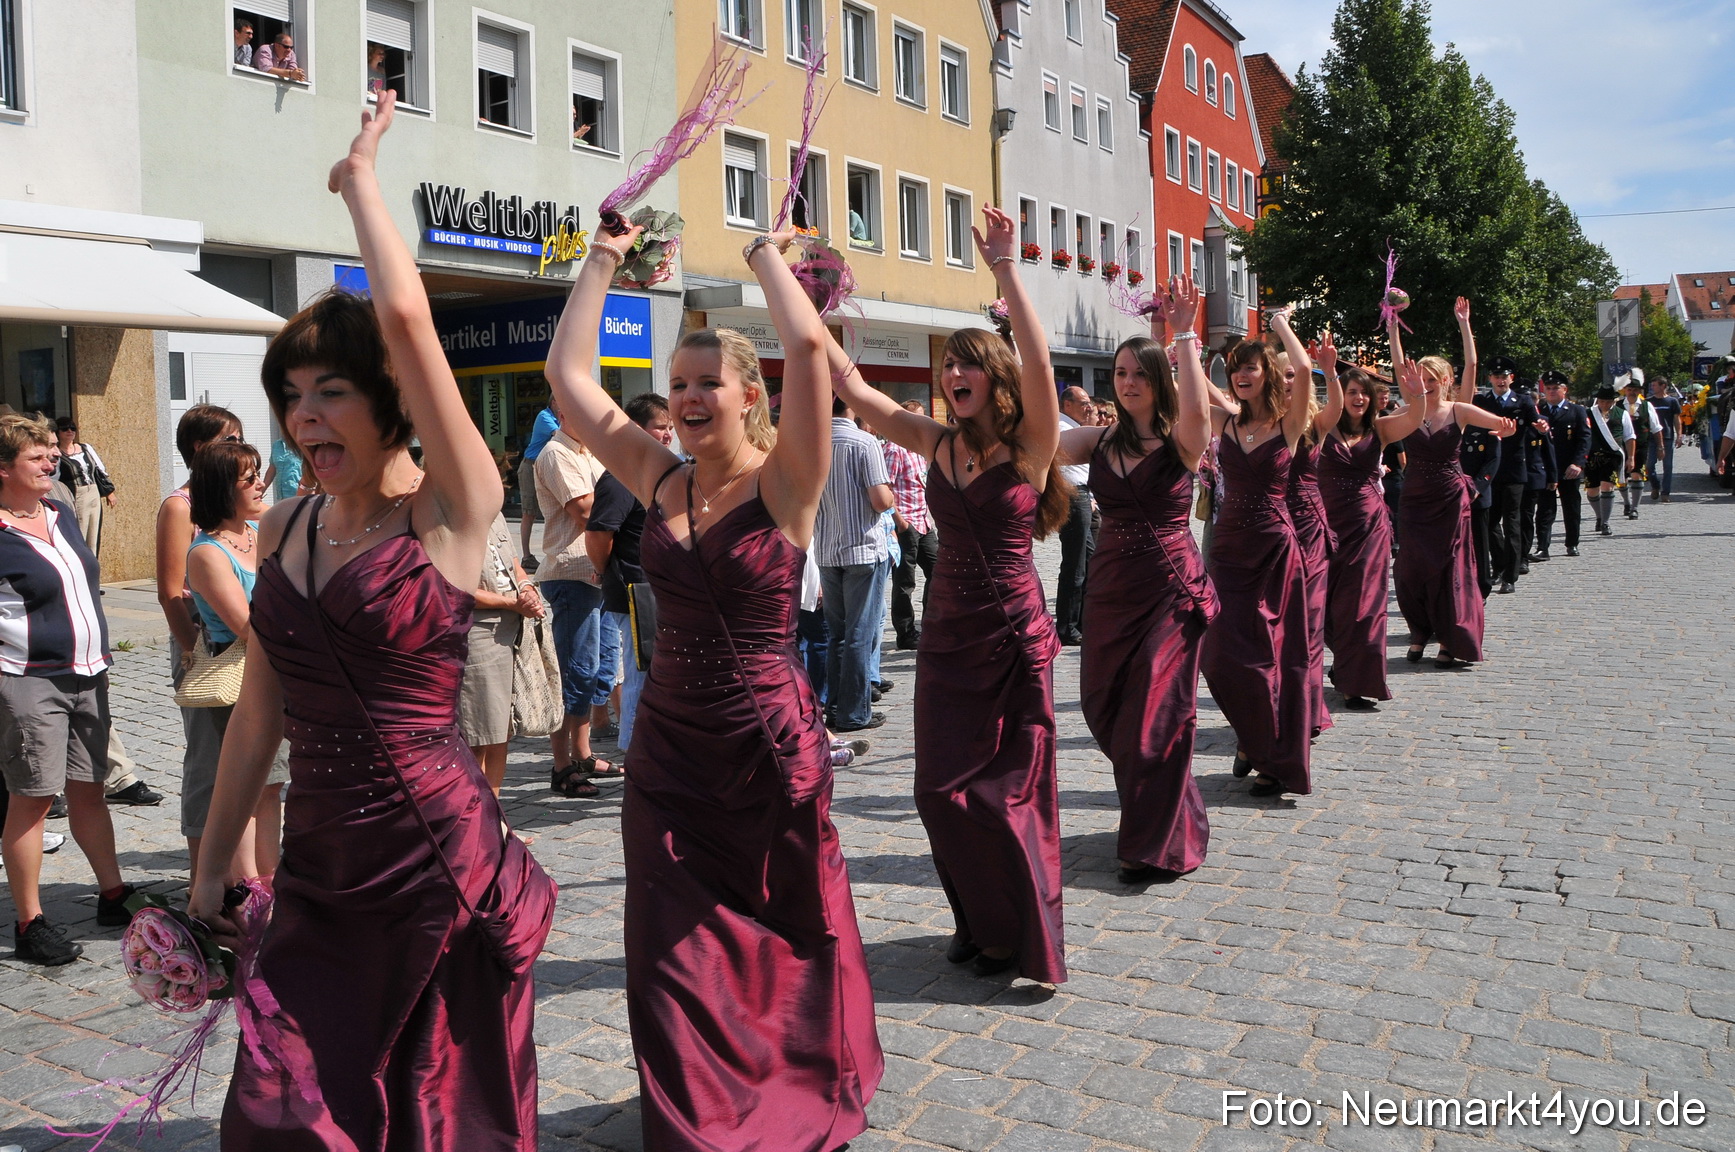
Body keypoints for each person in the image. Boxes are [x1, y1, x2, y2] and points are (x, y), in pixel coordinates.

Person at [188, 93, 555, 1149]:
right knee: (284, 1100)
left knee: (434, 1102)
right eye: (291, 394)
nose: (305, 414)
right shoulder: (287, 524)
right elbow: (259, 712)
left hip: (430, 858)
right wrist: (213, 869)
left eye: (333, 391)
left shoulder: (450, 509)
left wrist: (361, 186)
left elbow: (404, 321)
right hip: (319, 860)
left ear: (391, 400)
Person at [543, 215, 882, 1149]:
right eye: (680, 384)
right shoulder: (662, 479)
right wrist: (602, 259)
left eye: (707, 384)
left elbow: (806, 348)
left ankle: (784, 1082)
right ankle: (695, 1107)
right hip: (667, 745)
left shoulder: (788, 482)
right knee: (669, 938)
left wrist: (764, 256)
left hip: (760, 742)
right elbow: (569, 381)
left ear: (747, 396)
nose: (689, 398)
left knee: (779, 922)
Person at [828, 206, 1069, 983]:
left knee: (1000, 794)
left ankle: (1007, 929)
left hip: (1011, 637)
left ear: (995, 378)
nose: (953, 376)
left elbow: (1038, 363)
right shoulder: (936, 441)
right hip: (947, 635)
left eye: (968, 366)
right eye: (948, 368)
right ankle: (977, 915)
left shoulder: (1030, 447)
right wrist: (807, 304)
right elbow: (856, 392)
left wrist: (1005, 267)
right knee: (937, 790)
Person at [1058, 278, 1215, 883]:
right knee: (1106, 708)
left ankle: (1152, 844)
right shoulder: (1098, 440)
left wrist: (1184, 336)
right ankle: (1170, 812)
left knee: (1157, 713)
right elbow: (1036, 442)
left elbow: (1198, 412)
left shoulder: (1181, 441)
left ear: (1159, 380)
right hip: (1111, 590)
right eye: (1120, 373)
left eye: (1139, 374)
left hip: (1169, 590)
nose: (1127, 383)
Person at [0, 415, 136, 965]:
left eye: (51, 453)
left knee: (90, 789)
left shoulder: (59, 512)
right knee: (33, 799)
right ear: (3, 468)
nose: (51, 461)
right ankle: (29, 922)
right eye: (37, 457)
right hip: (29, 679)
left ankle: (113, 894)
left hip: (89, 673)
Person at [1200, 307, 1317, 800]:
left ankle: (1270, 755)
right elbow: (1188, 386)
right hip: (1228, 549)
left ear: (1267, 373)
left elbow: (1304, 369)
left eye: (1250, 367)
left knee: (1270, 657)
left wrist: (1279, 324)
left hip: (1273, 549)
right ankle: (1250, 735)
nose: (1240, 375)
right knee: (1217, 656)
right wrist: (1178, 335)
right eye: (1235, 368)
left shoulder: (1289, 424)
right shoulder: (1225, 423)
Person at [183, 440, 290, 880]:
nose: (260, 484)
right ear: (222, 489)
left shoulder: (257, 532)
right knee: (244, 788)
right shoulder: (208, 552)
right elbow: (247, 626)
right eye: (249, 479)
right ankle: (247, 889)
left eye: (258, 474)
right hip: (238, 681)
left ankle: (270, 879)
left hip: (271, 676)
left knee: (272, 784)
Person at [1392, 299, 1515, 668]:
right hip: (1415, 499)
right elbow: (1398, 364)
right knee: (1410, 569)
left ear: (1446, 381)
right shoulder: (1407, 409)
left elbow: (1475, 373)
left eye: (1433, 379)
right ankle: (1418, 632)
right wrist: (1392, 325)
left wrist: (1464, 324)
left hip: (1448, 499)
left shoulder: (1458, 410)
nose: (1426, 385)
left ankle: (1449, 640)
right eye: (1422, 378)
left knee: (1449, 570)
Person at [1319, 363, 1425, 710]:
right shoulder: (1320, 427)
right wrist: (1326, 371)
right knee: (1328, 607)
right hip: (1328, 528)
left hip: (1369, 529)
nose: (1359, 398)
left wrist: (1417, 394)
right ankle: (1344, 662)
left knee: (1363, 607)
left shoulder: (1379, 429)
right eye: (1352, 392)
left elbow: (1414, 419)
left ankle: (1357, 682)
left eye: (1364, 392)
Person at [159, 405, 247, 819]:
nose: (239, 446)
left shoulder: (237, 502)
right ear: (199, 446)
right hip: (202, 635)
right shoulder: (180, 505)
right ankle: (202, 848)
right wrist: (192, 651)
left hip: (237, 631)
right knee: (208, 753)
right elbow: (170, 592)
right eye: (230, 439)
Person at [536, 406, 620, 795]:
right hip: (571, 574)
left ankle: (582, 753)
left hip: (596, 571)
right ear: (561, 413)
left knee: (597, 669)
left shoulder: (590, 451)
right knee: (574, 671)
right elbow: (586, 512)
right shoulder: (556, 453)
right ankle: (561, 765)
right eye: (579, 412)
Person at [584, 393, 671, 755]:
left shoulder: (660, 470)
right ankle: (637, 754)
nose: (668, 434)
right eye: (660, 427)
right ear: (636, 428)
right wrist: (605, 570)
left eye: (670, 427)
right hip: (636, 592)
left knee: (656, 675)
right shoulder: (621, 476)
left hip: (659, 588)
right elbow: (598, 534)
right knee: (640, 675)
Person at [816, 399, 895, 733]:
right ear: (851, 406)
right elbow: (880, 500)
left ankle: (835, 708)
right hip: (862, 549)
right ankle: (854, 713)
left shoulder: (814, 442)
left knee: (838, 635)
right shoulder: (864, 442)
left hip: (827, 551)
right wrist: (891, 497)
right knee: (860, 634)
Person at [1284, 345, 1344, 740]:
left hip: (1307, 528)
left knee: (1307, 623)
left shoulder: (1314, 423)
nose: (1287, 381)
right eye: (1281, 375)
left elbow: (1336, 407)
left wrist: (1329, 371)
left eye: (1293, 374)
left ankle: (1307, 708)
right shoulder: (1257, 421)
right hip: (1266, 530)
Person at [461, 513, 542, 793]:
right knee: (478, 734)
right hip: (479, 631)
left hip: (511, 627)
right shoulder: (447, 514)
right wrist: (512, 603)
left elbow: (514, 563)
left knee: (500, 732)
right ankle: (477, 813)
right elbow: (456, 588)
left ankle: (493, 812)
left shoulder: (494, 513)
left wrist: (527, 587)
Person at [1473, 356, 1537, 595]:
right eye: (1496, 376)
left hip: (1512, 469)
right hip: (1489, 469)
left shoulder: (1523, 401)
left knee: (1512, 522)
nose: (1501, 380)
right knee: (1489, 523)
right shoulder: (1482, 401)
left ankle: (1510, 575)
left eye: (1505, 376)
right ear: (1490, 378)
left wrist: (1541, 426)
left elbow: (1536, 423)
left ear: (1512, 378)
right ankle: (1499, 563)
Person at [884, 401, 935, 650]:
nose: (922, 423)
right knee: (905, 581)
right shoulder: (895, 448)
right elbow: (885, 488)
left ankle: (932, 625)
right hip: (906, 523)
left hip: (924, 522)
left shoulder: (919, 448)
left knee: (938, 571)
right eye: (917, 418)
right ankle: (905, 633)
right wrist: (900, 523)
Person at [1053, 386, 1098, 645]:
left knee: (1090, 560)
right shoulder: (1062, 427)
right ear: (1067, 405)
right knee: (1075, 564)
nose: (1088, 407)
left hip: (1083, 495)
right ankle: (1067, 626)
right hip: (1072, 496)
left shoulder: (1075, 426)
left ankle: (1081, 621)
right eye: (1083, 403)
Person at [1534, 371, 1589, 558]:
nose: (1551, 391)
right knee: (1545, 508)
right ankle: (1543, 547)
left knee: (1571, 506)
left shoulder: (1576, 411)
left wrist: (1577, 463)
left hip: (1568, 467)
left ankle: (1572, 543)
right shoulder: (1538, 410)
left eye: (1555, 388)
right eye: (1548, 388)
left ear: (1564, 390)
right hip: (1546, 467)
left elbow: (1584, 439)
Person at [53, 418, 115, 556]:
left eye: (72, 428)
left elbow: (99, 469)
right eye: (65, 429)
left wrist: (109, 492)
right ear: (58, 432)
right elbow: (54, 477)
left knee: (94, 532)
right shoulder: (57, 454)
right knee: (80, 531)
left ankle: (93, 562)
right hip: (77, 495)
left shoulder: (85, 448)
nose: (70, 431)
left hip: (93, 493)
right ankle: (81, 562)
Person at [1515, 396, 1557, 573]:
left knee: (1526, 517)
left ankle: (1522, 557)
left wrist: (1553, 477)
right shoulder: (1507, 419)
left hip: (1532, 475)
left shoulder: (1541, 422)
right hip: (1511, 475)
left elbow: (1548, 450)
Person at [1586, 384, 1635, 534]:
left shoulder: (1622, 414)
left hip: (1612, 456)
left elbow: (1629, 436)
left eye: (1608, 401)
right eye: (1602, 401)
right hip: (1592, 456)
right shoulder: (1589, 413)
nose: (1604, 404)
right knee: (1592, 490)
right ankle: (1599, 516)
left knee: (1607, 486)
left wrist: (1631, 457)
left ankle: (1605, 522)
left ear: (1614, 401)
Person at [1458, 424, 1500, 599]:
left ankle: (1482, 587)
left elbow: (1492, 461)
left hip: (1477, 496)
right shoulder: (1449, 427)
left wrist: (1477, 487)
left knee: (1479, 543)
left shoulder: (1486, 428)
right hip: (1453, 494)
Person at [518, 397, 559, 571]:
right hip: (531, 466)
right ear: (554, 402)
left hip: (547, 467)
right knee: (529, 513)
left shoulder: (560, 418)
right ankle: (526, 557)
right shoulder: (545, 416)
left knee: (555, 510)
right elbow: (560, 435)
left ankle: (555, 554)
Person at [1616, 374, 1662, 519]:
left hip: (1641, 445)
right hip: (1620, 447)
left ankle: (1635, 508)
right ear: (1625, 390)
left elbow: (1656, 428)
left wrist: (1660, 447)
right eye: (1629, 389)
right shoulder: (1617, 406)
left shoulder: (1647, 406)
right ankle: (1626, 502)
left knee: (1637, 474)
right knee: (1621, 477)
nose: (1632, 392)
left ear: (1639, 391)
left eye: (1635, 390)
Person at [1646, 377, 1682, 502]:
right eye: (1652, 385)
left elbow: (1676, 419)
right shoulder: (1649, 402)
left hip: (1667, 436)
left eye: (1654, 385)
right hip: (1651, 437)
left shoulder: (1672, 401)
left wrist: (1679, 435)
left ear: (1663, 386)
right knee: (1649, 465)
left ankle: (1665, 493)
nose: (1652, 388)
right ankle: (1655, 485)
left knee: (1668, 466)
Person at [263, 436, 307, 503]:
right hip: (282, 497)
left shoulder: (304, 445)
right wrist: (261, 491)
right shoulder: (277, 445)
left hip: (300, 496)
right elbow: (272, 469)